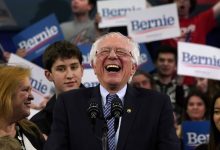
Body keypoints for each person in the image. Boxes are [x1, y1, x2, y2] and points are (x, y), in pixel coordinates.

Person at [44, 32, 180, 150]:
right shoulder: (68, 103)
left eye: (121, 52)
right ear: (94, 66)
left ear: (133, 67)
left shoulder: (157, 104)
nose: (113, 56)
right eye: (104, 51)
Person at [30, 40, 84, 139]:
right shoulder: (37, 125)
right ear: (48, 75)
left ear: (82, 70)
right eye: (61, 69)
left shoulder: (104, 106)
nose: (69, 75)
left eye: (74, 67)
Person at [0, 64, 45, 150]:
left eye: (30, 90)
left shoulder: (31, 130)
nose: (32, 97)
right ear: (5, 94)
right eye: (25, 90)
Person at [153, 45, 189, 122]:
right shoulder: (146, 84)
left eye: (170, 61)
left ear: (175, 65)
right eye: (162, 60)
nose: (165, 64)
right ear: (155, 63)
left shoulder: (184, 88)